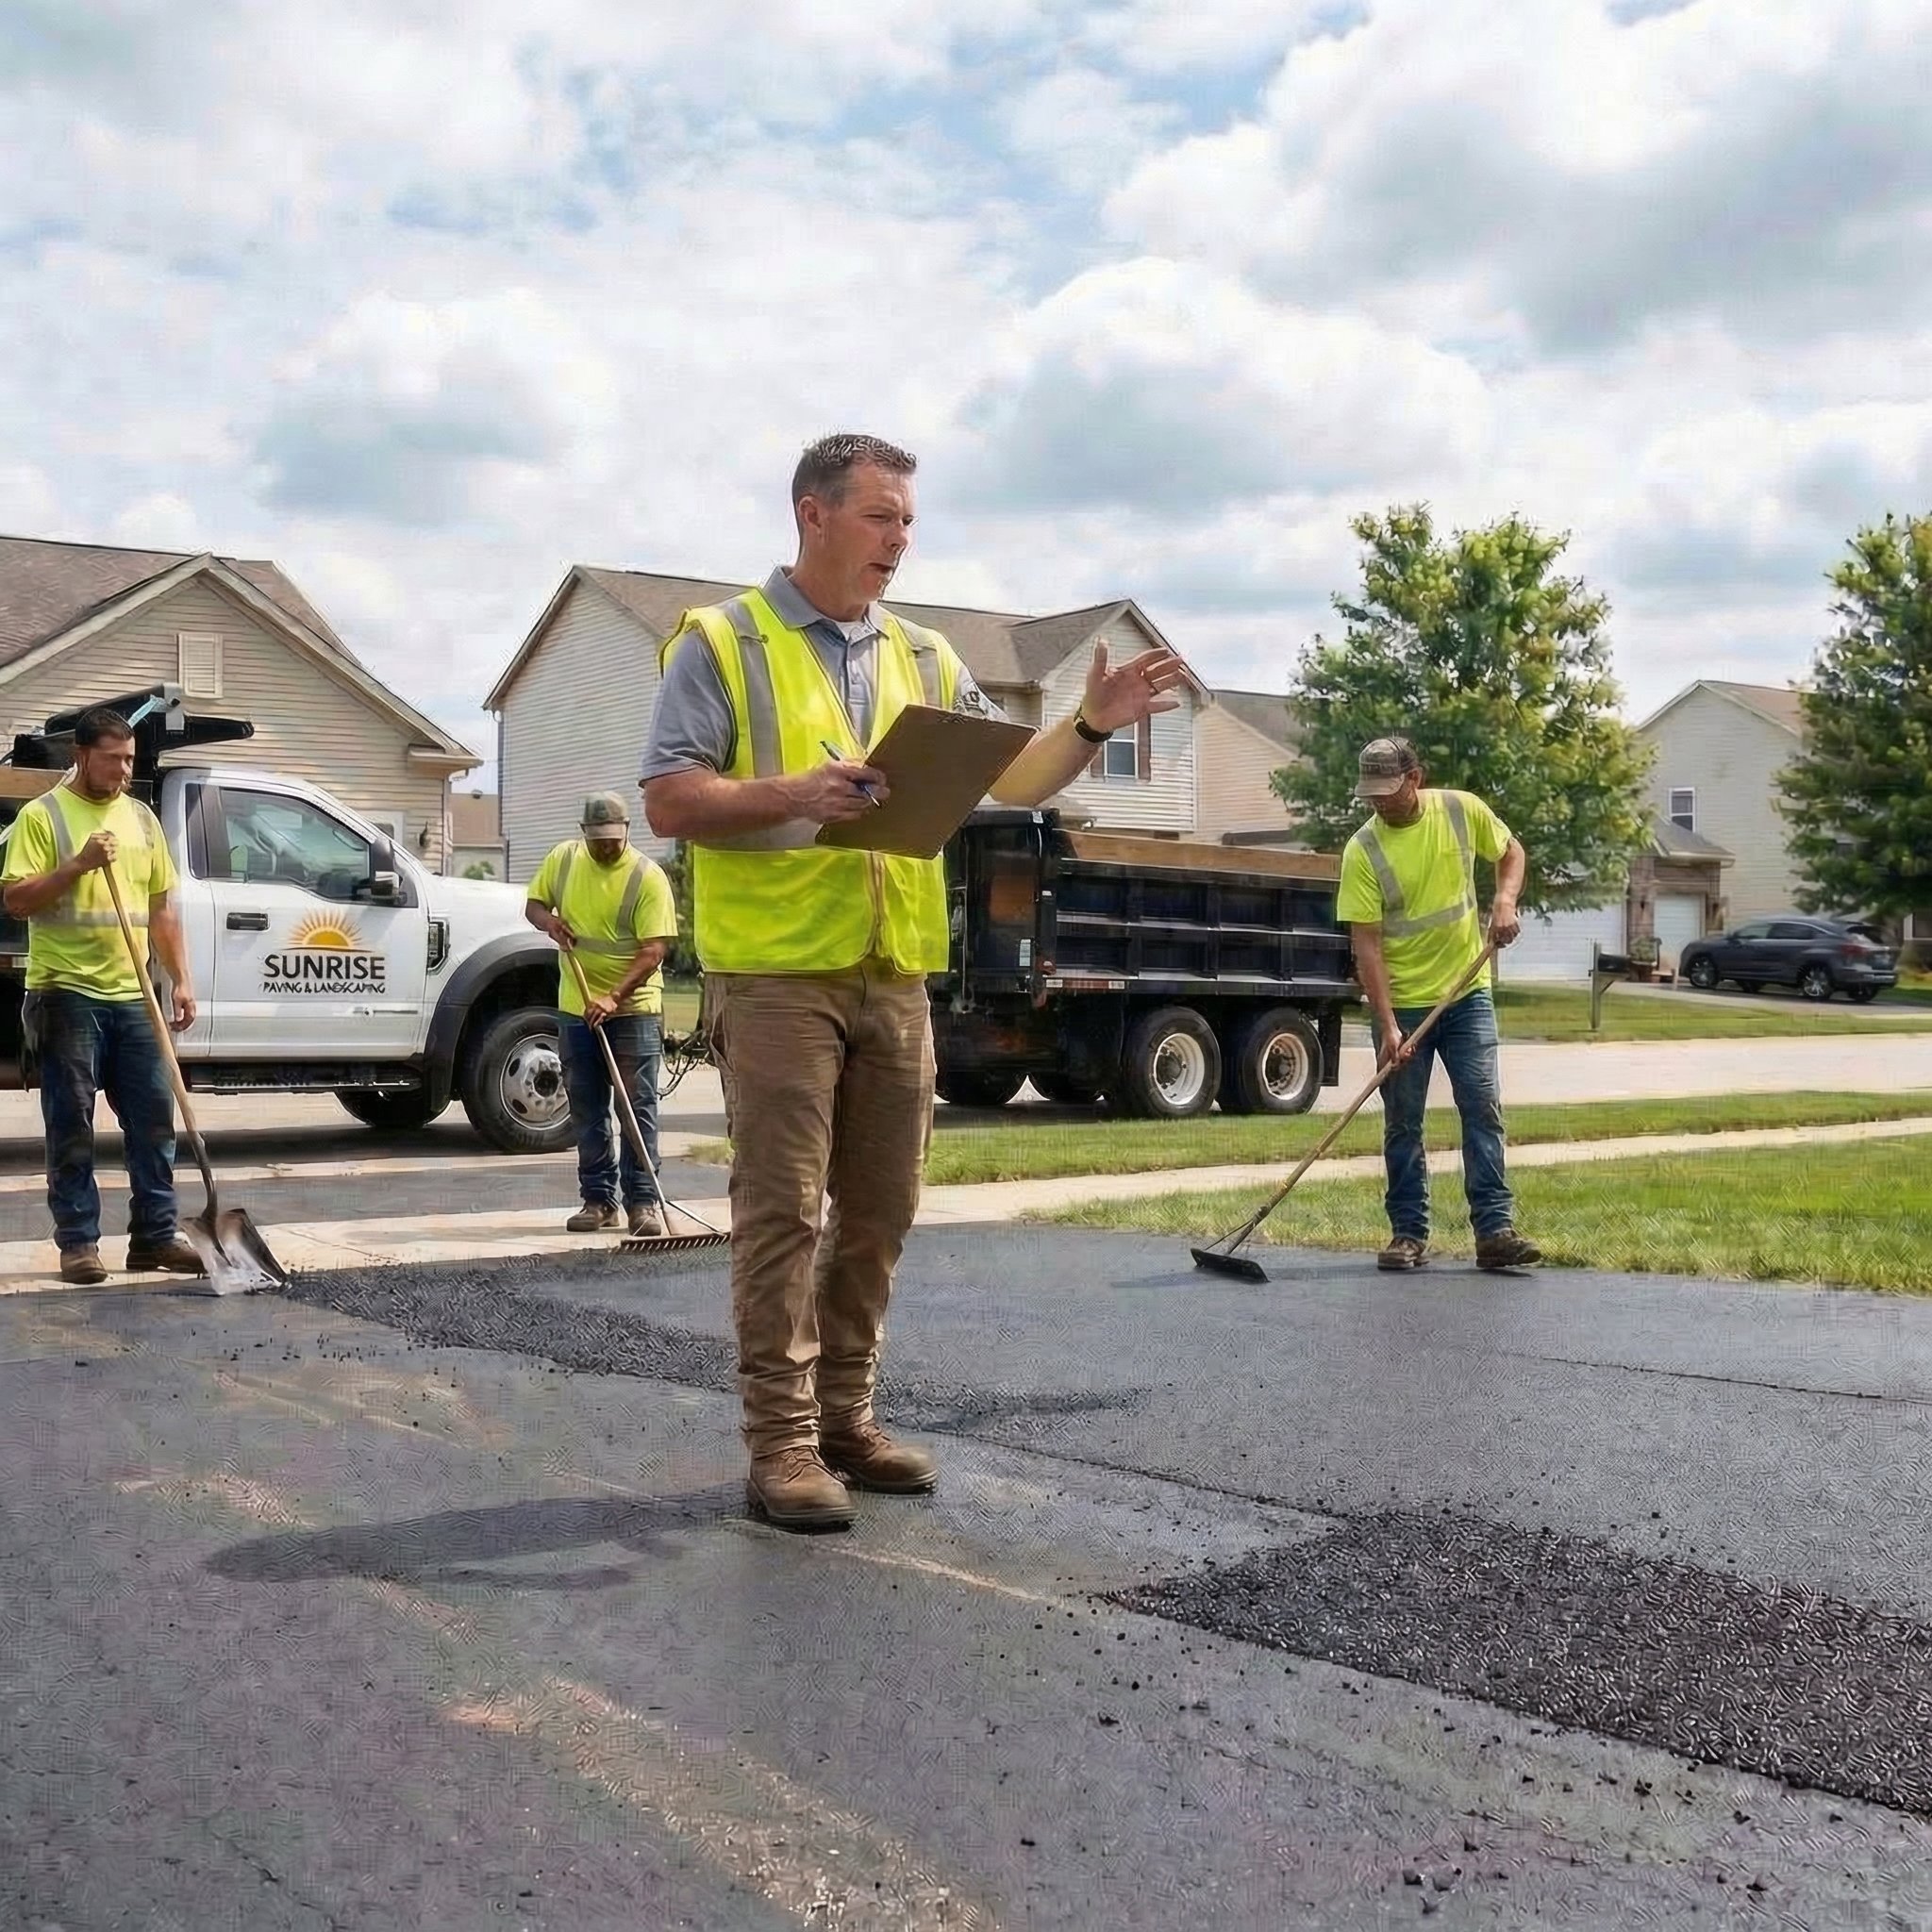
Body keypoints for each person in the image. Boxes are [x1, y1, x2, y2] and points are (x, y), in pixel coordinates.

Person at [641, 430, 1186, 1530]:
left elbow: (1009, 774)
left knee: (880, 1210)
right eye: (881, 514)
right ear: (813, 514)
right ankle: (782, 1445)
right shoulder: (721, 642)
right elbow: (670, 799)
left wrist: (1088, 724)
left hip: (895, 975)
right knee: (782, 1212)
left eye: (907, 519)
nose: (901, 536)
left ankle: (846, 1417)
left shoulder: (925, 656)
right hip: (777, 974)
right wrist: (795, 791)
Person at [0, 707, 202, 1284]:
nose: (122, 770)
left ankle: (155, 1237)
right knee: (73, 1124)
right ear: (81, 755)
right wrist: (80, 864)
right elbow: (17, 900)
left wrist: (181, 977)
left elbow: (161, 908)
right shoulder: (44, 817)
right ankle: (78, 1244)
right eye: (112, 759)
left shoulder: (141, 818)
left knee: (154, 1121)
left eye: (129, 760)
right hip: (66, 993)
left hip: (132, 992)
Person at [1338, 735, 1541, 1274]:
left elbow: (1511, 852)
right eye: (1371, 793)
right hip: (1403, 1004)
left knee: (1482, 1108)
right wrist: (1385, 1026)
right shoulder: (1363, 851)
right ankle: (1407, 1234)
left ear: (1415, 777)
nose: (1380, 801)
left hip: (1466, 994)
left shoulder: (1461, 810)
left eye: (1389, 789)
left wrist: (1504, 901)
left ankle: (1494, 1232)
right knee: (1403, 1122)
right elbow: (1368, 947)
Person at [524, 793, 679, 1237]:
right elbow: (534, 905)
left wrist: (613, 997)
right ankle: (598, 1201)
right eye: (598, 841)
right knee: (587, 1109)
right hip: (577, 1007)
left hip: (633, 1009)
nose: (606, 848)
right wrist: (549, 923)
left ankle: (643, 1204)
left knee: (635, 1109)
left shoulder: (647, 877)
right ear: (584, 833)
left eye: (613, 840)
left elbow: (654, 950)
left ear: (627, 831)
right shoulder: (564, 860)